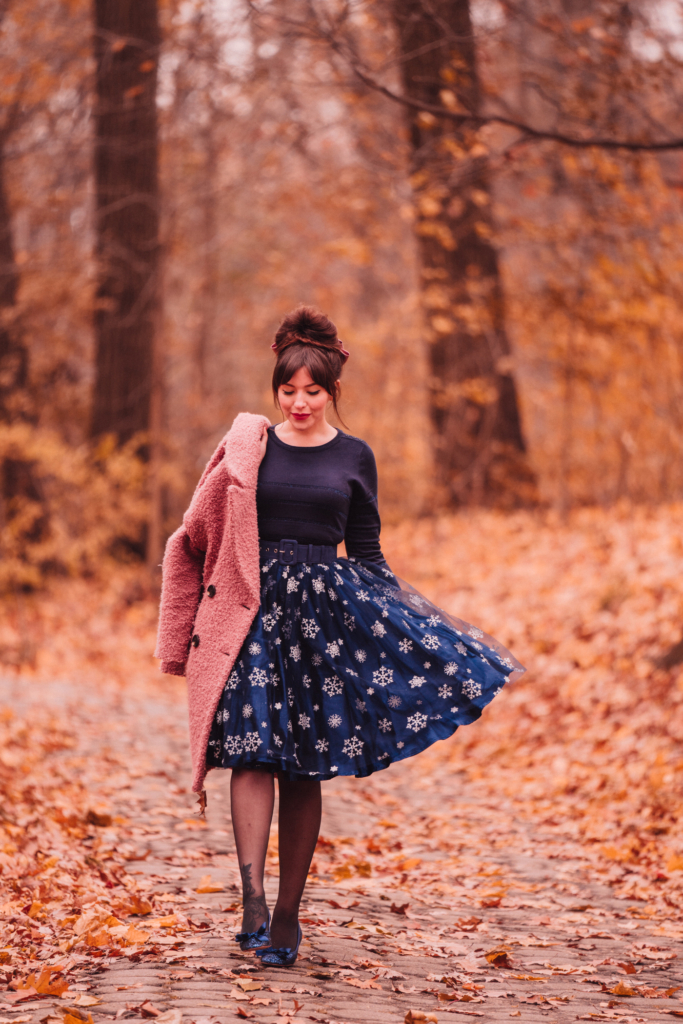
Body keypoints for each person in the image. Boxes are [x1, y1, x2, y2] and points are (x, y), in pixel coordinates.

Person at [156, 305, 524, 968]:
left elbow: (367, 549)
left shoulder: (355, 456)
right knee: (248, 751)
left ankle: (289, 912)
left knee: (302, 766)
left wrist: (412, 623)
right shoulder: (247, 447)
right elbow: (194, 535)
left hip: (322, 625)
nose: (298, 403)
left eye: (312, 391)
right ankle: (250, 900)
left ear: (331, 391)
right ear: (275, 391)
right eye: (287, 391)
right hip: (253, 617)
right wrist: (182, 630)